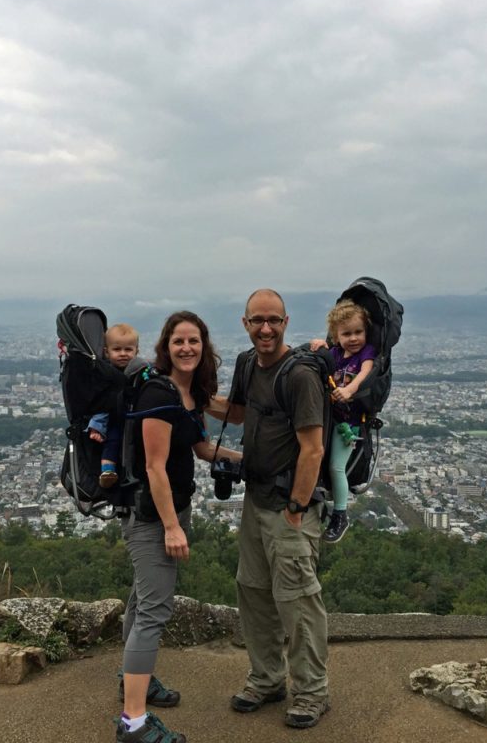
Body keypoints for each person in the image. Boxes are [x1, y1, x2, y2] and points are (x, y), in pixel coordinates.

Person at [209, 289, 330, 730]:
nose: (266, 328)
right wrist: (189, 394)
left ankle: (312, 691)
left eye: (274, 320)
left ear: (286, 322)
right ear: (245, 323)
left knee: (297, 601)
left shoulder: (298, 376)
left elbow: (312, 449)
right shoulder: (246, 364)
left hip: (288, 507)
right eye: (257, 320)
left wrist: (297, 507)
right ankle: (266, 678)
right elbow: (237, 414)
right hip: (255, 498)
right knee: (254, 592)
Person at [117, 311, 240, 743]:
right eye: (178, 341)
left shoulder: (188, 393)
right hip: (152, 516)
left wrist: (250, 461)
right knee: (154, 610)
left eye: (194, 341)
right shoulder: (158, 392)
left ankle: (134, 680)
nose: (186, 348)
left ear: (204, 346)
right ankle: (133, 722)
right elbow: (154, 467)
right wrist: (172, 527)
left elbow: (201, 447)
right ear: (165, 347)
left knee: (140, 599)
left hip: (171, 510)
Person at [310, 299, 377, 543]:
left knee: (336, 466)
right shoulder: (336, 353)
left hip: (348, 425)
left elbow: (365, 373)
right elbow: (325, 355)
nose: (353, 338)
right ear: (336, 336)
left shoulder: (366, 353)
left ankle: (340, 513)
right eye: (346, 333)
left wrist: (350, 391)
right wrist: (321, 345)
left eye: (358, 332)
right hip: (329, 420)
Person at [87, 323, 141, 489]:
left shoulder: (139, 371)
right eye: (117, 350)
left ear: (136, 352)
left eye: (128, 350)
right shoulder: (105, 373)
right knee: (113, 439)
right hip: (112, 417)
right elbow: (100, 404)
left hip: (132, 416)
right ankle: (107, 470)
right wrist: (97, 426)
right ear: (106, 352)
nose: (123, 354)